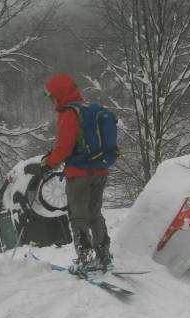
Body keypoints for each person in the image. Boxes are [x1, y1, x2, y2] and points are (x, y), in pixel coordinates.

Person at [40, 72, 113, 273]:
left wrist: (48, 163)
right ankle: (103, 254)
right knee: (94, 213)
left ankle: (85, 257)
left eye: (51, 96)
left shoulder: (69, 113)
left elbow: (64, 148)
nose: (51, 100)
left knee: (78, 216)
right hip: (100, 171)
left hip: (79, 174)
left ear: (59, 94)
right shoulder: (90, 110)